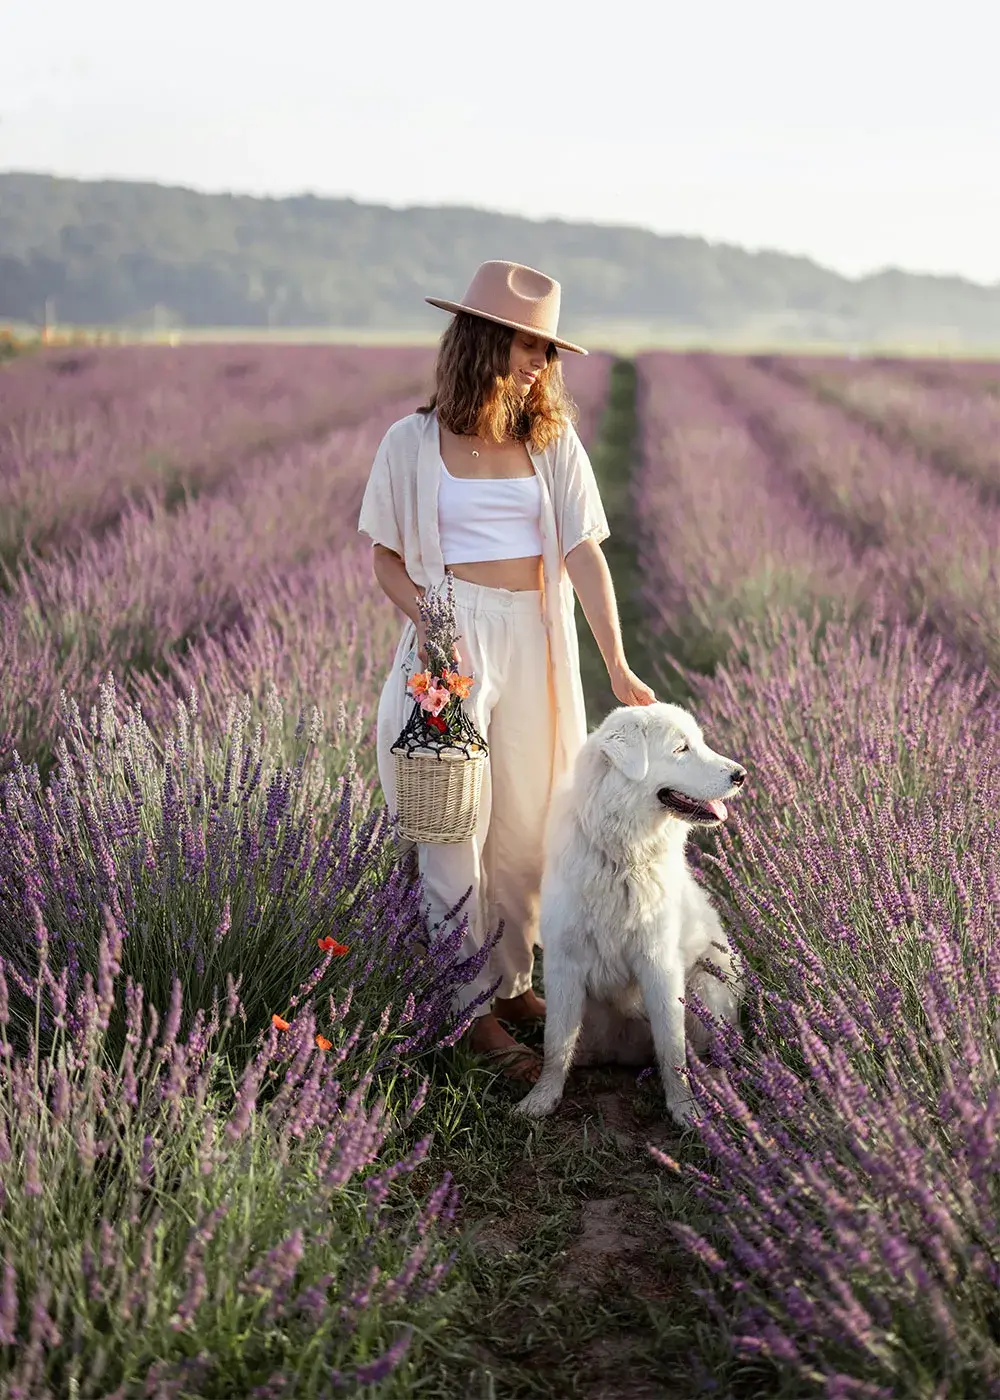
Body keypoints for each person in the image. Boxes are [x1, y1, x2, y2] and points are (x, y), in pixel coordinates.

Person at [358, 260, 655, 1079]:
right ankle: (463, 1015)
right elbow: (385, 560)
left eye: (548, 351)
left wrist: (619, 665)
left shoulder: (551, 442)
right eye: (530, 344)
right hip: (450, 644)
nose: (540, 363)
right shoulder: (410, 443)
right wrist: (429, 620)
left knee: (530, 827)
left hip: (536, 634)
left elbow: (585, 556)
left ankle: (511, 982)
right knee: (454, 827)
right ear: (485, 340)